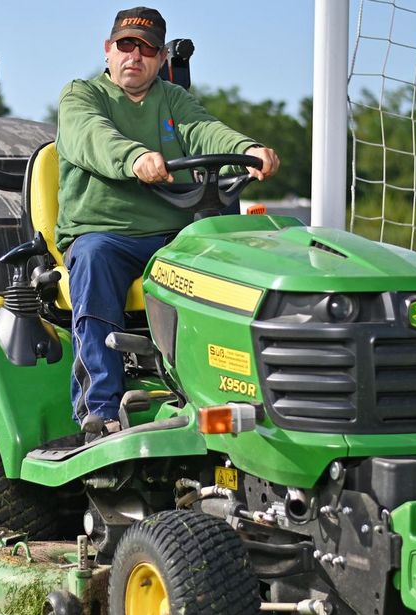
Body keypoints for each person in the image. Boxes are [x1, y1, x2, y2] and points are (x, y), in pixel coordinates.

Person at [55, 6, 280, 436]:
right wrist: (135, 157)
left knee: (233, 262)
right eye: (126, 45)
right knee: (95, 257)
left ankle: (228, 396)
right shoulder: (82, 95)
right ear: (108, 49)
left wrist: (248, 149)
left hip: (174, 237)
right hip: (109, 235)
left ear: (160, 59)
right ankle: (99, 411)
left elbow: (206, 130)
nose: (134, 56)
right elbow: (92, 136)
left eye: (147, 49)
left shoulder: (172, 98)